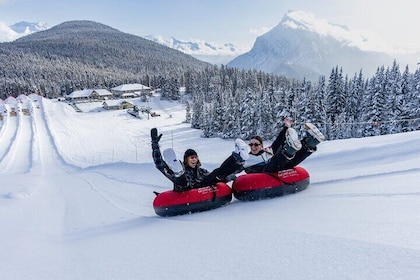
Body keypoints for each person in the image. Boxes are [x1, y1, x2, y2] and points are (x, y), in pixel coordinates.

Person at [151, 128, 249, 192]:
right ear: (186, 160)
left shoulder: (201, 171)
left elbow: (218, 176)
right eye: (191, 157)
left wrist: (234, 170)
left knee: (216, 173)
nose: (194, 159)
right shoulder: (185, 169)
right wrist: (155, 145)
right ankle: (177, 172)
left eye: (195, 157)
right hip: (185, 189)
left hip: (200, 189)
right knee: (181, 179)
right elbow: (159, 164)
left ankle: (237, 157)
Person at [243, 117, 325, 174]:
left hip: (279, 167)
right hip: (266, 172)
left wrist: (286, 128)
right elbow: (239, 168)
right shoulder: (248, 158)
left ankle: (311, 142)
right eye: (251, 144)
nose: (253, 147)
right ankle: (289, 150)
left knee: (290, 159)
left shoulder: (267, 152)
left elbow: (278, 141)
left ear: (261, 145)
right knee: (274, 163)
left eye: (256, 144)